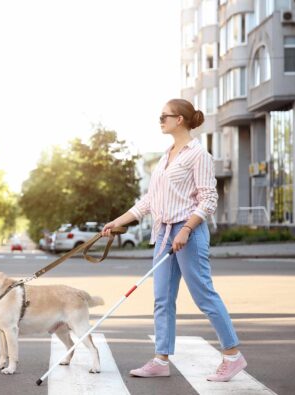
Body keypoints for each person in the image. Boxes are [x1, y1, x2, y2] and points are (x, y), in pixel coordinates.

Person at [101, 98, 246, 382]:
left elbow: (208, 199)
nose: (160, 121)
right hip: (164, 233)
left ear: (179, 119)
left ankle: (233, 356)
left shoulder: (198, 154)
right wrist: (117, 222)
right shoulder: (167, 155)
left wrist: (187, 229)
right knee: (162, 299)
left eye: (164, 116)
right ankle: (160, 359)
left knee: (204, 294)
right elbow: (149, 201)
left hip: (187, 232)